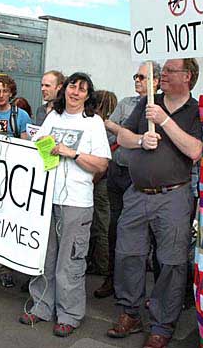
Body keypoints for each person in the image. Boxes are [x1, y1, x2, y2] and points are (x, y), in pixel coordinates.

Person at [107, 58, 202, 348]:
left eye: (170, 71)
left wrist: (164, 121)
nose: (162, 75)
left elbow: (195, 150)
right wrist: (140, 140)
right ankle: (131, 312)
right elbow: (123, 136)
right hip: (137, 194)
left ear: (187, 76)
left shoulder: (196, 110)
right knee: (128, 254)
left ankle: (162, 324)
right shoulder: (148, 101)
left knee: (171, 262)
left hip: (173, 196)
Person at [19, 72, 110, 337]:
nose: (75, 92)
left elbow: (102, 164)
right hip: (47, 198)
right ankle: (41, 307)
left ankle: (69, 315)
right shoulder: (53, 117)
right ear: (65, 90)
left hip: (76, 202)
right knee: (44, 258)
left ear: (87, 95)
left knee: (70, 261)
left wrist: (72, 153)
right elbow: (37, 150)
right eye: (72, 86)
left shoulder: (93, 123)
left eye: (82, 89)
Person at [93, 60, 161, 299]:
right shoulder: (125, 103)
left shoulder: (158, 108)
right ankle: (111, 278)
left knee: (141, 235)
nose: (137, 81)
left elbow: (123, 131)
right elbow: (110, 131)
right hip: (118, 172)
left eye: (142, 77)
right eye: (136, 76)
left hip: (140, 177)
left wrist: (121, 129)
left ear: (156, 81)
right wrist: (119, 129)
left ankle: (138, 287)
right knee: (113, 228)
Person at [0, 74, 32, 288]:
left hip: (10, 174)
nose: (1, 95)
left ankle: (5, 268)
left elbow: (26, 146)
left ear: (11, 93)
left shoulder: (21, 115)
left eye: (5, 91)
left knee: (6, 221)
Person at [87, 90, 117, 276]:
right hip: (102, 180)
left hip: (100, 181)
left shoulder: (101, 127)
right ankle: (100, 262)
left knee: (100, 224)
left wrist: (91, 181)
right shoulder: (107, 126)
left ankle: (102, 264)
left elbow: (101, 163)